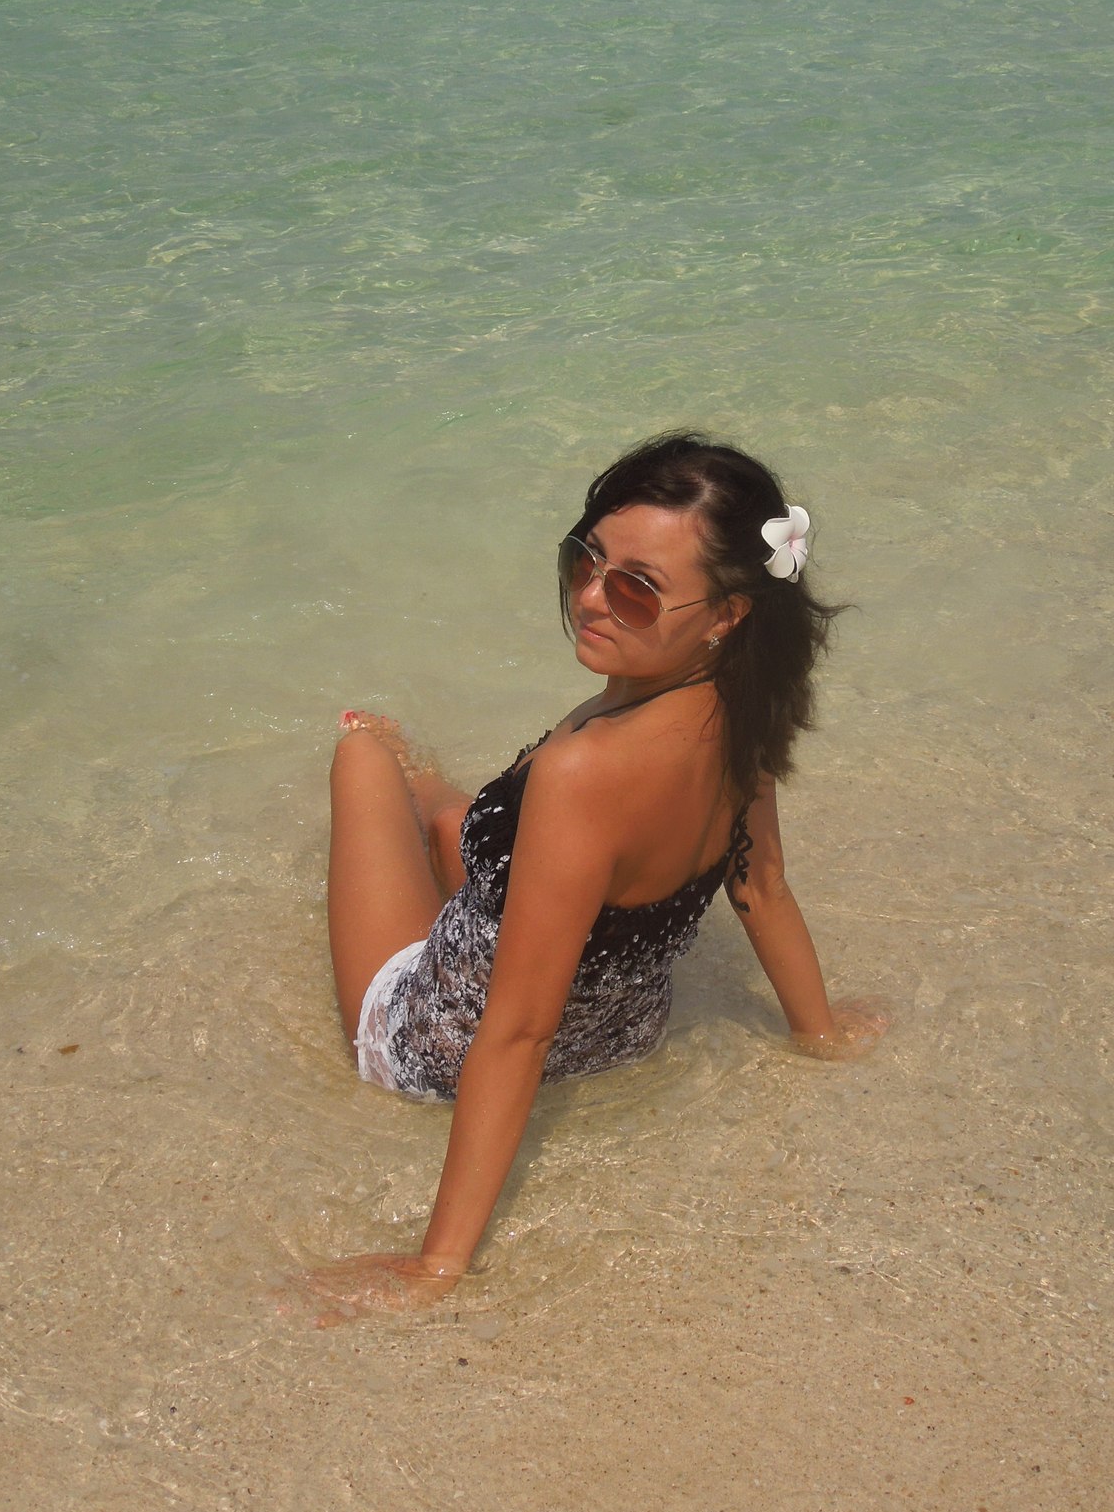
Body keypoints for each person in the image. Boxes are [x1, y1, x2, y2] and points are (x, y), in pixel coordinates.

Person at [306, 432, 887, 1320]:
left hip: (441, 1041)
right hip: (623, 1033)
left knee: (360, 760)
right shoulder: (741, 710)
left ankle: (396, 764)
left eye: (636, 587)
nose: (589, 597)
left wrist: (436, 1267)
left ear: (726, 613)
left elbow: (518, 1031)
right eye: (587, 560)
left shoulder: (583, 774)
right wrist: (821, 1032)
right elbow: (760, 888)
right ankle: (430, 791)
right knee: (460, 821)